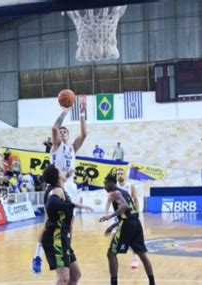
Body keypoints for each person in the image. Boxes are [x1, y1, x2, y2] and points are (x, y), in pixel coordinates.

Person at [32, 95, 88, 273]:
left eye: (65, 132)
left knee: (70, 222)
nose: (62, 133)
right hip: (55, 185)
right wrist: (65, 112)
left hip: (69, 185)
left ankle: (66, 248)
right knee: (49, 222)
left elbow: (84, 133)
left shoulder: (72, 148)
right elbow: (54, 127)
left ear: (68, 136)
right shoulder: (56, 146)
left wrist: (81, 112)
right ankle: (37, 255)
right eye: (61, 132)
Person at [39, 164, 92, 284]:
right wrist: (75, 205)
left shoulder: (58, 188)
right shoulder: (56, 190)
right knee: (63, 278)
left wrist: (68, 173)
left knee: (75, 274)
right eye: (61, 170)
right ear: (58, 176)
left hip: (62, 236)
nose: (64, 171)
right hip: (55, 237)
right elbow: (52, 204)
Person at [100, 174, 155, 285]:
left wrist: (109, 217)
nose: (105, 187)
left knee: (111, 253)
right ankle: (152, 282)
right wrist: (112, 226)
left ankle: (114, 282)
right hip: (136, 223)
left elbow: (124, 206)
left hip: (127, 226)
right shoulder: (124, 192)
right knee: (142, 254)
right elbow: (127, 214)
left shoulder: (115, 193)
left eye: (105, 184)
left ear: (111, 183)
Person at [105, 168, 140, 268]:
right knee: (113, 236)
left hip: (129, 216)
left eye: (121, 173)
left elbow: (136, 199)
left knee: (132, 238)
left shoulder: (130, 186)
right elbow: (108, 200)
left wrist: (136, 212)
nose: (120, 175)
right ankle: (113, 256)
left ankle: (135, 259)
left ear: (124, 175)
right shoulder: (113, 187)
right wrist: (106, 213)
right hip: (117, 215)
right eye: (118, 174)